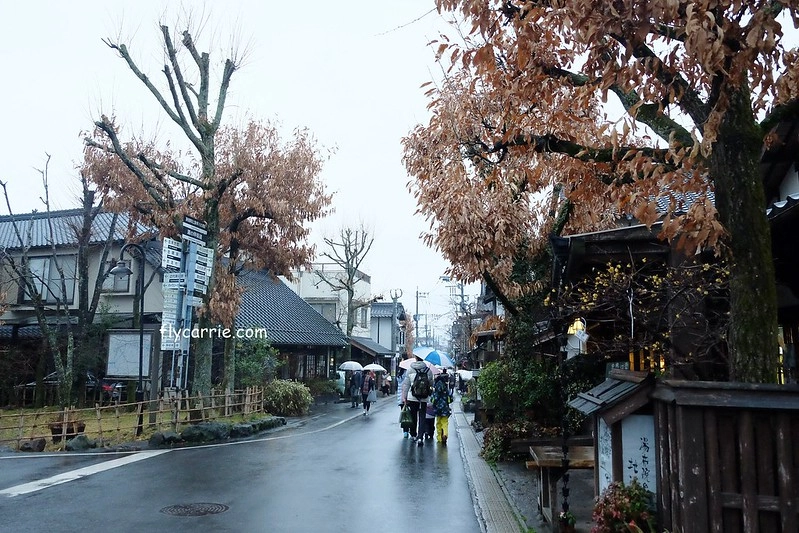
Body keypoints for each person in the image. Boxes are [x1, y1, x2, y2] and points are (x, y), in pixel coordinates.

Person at [403, 356, 432, 447]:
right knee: (422, 416)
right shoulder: (428, 371)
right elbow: (431, 384)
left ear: (415, 358)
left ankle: (413, 434)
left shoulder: (410, 369)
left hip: (412, 397)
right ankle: (420, 437)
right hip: (424, 397)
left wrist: (404, 397)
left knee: (413, 415)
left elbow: (406, 384)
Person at [432, 367, 454, 445]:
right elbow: (451, 398)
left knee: (438, 423)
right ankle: (445, 434)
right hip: (445, 408)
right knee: (445, 422)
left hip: (437, 409)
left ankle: (439, 438)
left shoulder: (435, 390)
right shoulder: (445, 388)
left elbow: (433, 399)